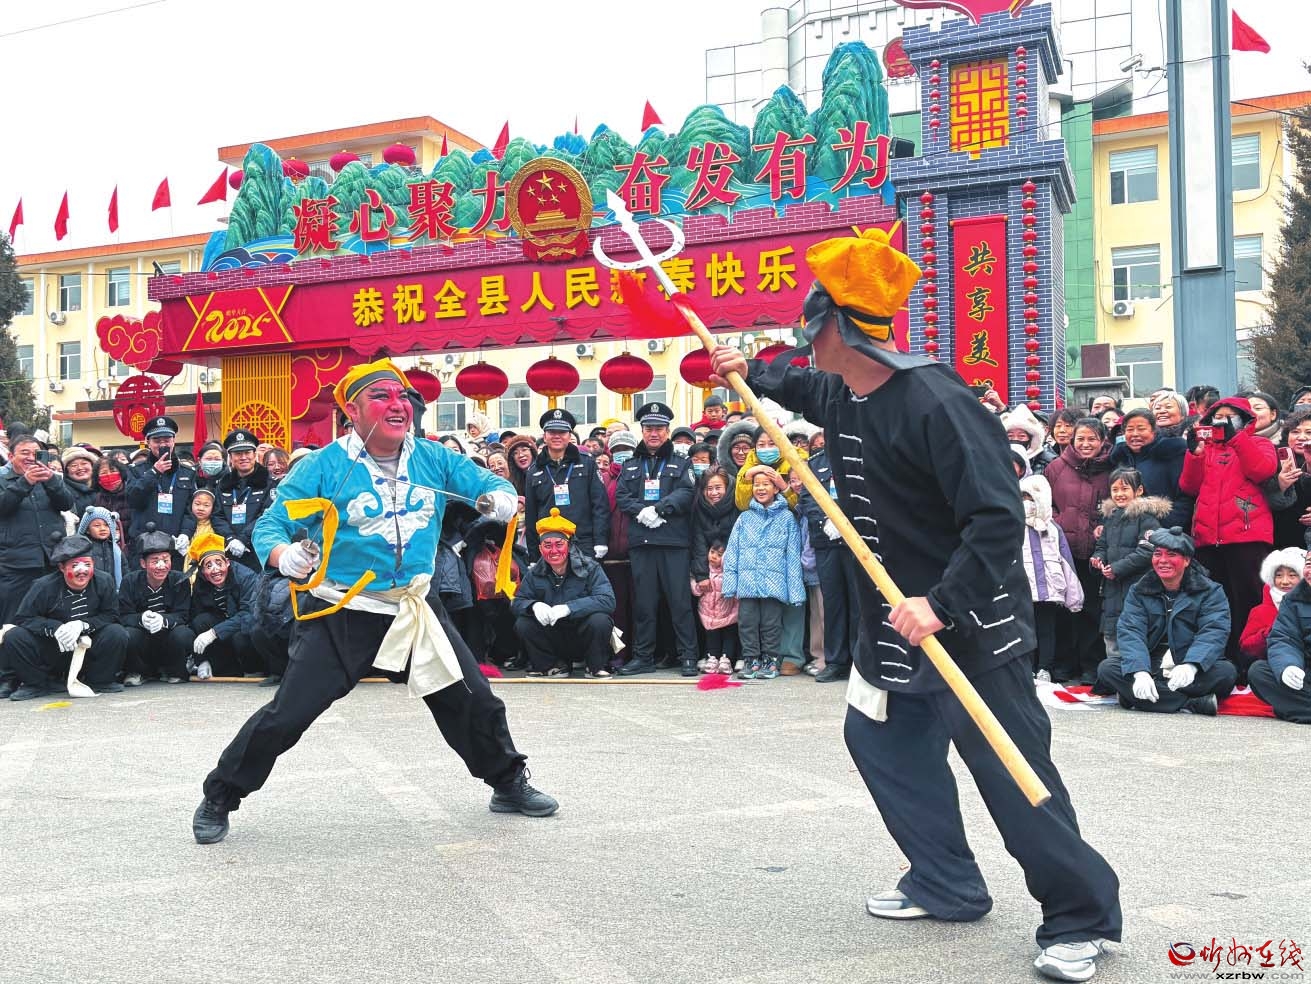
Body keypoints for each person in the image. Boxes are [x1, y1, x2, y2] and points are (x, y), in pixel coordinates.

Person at [709, 227, 1120, 983]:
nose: (804, 341)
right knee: (882, 742)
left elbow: (996, 519)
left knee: (1010, 770)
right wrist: (749, 371)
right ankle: (946, 882)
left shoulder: (938, 402)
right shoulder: (844, 388)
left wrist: (942, 603)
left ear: (837, 327)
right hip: (890, 625)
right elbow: (799, 387)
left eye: (810, 327)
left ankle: (1080, 916)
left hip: (966, 623)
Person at [192, 358, 556, 846]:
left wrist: (502, 496)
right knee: (288, 714)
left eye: (402, 396)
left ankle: (507, 782)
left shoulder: (434, 458)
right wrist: (284, 556)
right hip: (345, 610)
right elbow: (271, 525)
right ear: (352, 412)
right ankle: (220, 795)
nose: (397, 404)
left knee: (472, 698)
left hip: (414, 606)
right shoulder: (323, 466)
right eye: (381, 396)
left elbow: (489, 484)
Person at [1177, 396, 1278, 676]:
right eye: (1217, 416)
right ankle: (1218, 662)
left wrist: (1236, 439)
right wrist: (1194, 455)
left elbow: (1263, 470)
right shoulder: (1206, 449)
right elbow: (1189, 486)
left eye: (1230, 416)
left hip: (1247, 536)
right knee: (1213, 604)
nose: (1222, 421)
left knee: (1249, 601)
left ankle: (1249, 664)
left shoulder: (1259, 443)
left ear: (1244, 420)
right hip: (1208, 538)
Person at [1098, 527, 1237, 715]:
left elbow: (1213, 632)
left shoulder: (1211, 591)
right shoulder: (1139, 590)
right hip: (1151, 664)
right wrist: (1140, 672)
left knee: (1226, 672)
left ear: (1187, 560)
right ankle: (1192, 703)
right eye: (1157, 554)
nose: (1163, 560)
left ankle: (1135, 697)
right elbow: (1131, 631)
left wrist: (1191, 665)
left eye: (1171, 555)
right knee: (1107, 669)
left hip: (1187, 663)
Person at [614, 401, 699, 677]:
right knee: (644, 604)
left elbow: (686, 492)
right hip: (642, 543)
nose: (654, 433)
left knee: (680, 603)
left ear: (667, 431)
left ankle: (688, 655)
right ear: (642, 430)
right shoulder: (630, 465)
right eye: (649, 428)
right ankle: (643, 657)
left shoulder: (681, 462)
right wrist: (642, 512)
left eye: (659, 428)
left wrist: (660, 509)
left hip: (673, 542)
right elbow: (622, 496)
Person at [6, 534, 128, 701]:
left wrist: (84, 625)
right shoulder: (43, 586)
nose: (82, 570)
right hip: (54, 647)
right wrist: (55, 628)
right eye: (75, 565)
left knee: (116, 632)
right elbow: (23, 618)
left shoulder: (104, 581)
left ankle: (101, 680)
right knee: (15, 636)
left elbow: (111, 615)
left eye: (87, 564)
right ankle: (35, 684)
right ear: (62, 567)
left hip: (89, 645)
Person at [0, 435, 75, 698]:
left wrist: (52, 480)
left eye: (36, 453)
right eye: (25, 453)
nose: (31, 458)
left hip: (51, 559)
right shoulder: (4, 480)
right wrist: (25, 483)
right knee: (11, 621)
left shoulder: (50, 479)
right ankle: (8, 676)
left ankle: (49, 673)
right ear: (11, 456)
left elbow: (67, 503)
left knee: (50, 618)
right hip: (15, 562)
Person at [1043, 418, 1113, 685]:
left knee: (1093, 609)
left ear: (1102, 441)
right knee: (1063, 609)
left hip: (1097, 551)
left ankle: (1091, 665)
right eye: (1081, 438)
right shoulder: (1056, 467)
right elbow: (1045, 503)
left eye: (1092, 438)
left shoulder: (1111, 468)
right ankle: (1064, 663)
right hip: (1063, 551)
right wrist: (1058, 522)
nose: (1086, 444)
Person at [511, 508, 616, 679]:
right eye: (547, 545)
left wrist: (569, 608)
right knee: (523, 623)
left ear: (569, 546)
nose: (554, 551)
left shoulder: (590, 568)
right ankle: (552, 666)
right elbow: (517, 602)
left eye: (559, 544)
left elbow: (608, 600)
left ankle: (595, 666)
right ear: (540, 549)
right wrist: (534, 605)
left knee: (600, 620)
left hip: (582, 635)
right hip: (552, 637)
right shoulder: (534, 573)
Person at [722, 467, 804, 680]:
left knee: (771, 624)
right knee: (747, 622)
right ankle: (751, 659)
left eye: (766, 484)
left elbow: (793, 556)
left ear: (776, 488)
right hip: (747, 582)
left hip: (774, 583)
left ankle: (771, 659)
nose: (760, 488)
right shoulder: (744, 518)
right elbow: (732, 552)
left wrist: (795, 591)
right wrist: (730, 584)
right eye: (756, 484)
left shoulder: (787, 518)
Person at [1090, 468, 1170, 667]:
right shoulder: (1111, 518)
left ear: (1139, 490)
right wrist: (1097, 559)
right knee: (1112, 636)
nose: (1119, 494)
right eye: (1115, 489)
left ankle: (1138, 676)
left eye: (1124, 488)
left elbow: (1148, 551)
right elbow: (1101, 546)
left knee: (1136, 635)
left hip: (1138, 587)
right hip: (1112, 590)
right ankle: (1115, 678)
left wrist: (1117, 568)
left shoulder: (1147, 518)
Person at [797, 439, 859, 683]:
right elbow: (807, 498)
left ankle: (859, 661)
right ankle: (836, 661)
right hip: (826, 541)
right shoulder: (815, 463)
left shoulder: (858, 454)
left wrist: (846, 520)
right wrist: (826, 520)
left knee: (858, 602)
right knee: (832, 603)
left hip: (856, 540)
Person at [1018, 475, 1084, 683]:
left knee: (1047, 630)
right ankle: (1027, 668)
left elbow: (1066, 561)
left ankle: (1044, 668)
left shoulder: (1053, 529)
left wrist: (1074, 597)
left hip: (1049, 589)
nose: (1027, 502)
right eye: (1022, 497)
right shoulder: (1013, 526)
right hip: (1022, 590)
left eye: (1031, 497)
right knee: (1024, 630)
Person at [522, 408, 609, 563]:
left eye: (562, 432)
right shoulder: (534, 471)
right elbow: (531, 516)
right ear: (544, 436)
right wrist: (534, 556)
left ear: (569, 435)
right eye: (552, 432)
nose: (557, 436)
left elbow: (600, 504)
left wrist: (600, 540)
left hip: (583, 542)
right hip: (550, 545)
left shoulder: (587, 463)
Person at [118, 525, 194, 685]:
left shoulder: (180, 580)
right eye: (155, 561)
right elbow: (123, 616)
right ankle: (137, 671)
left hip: (169, 636)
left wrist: (163, 620)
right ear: (143, 563)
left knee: (183, 634)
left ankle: (175, 670)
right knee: (127, 635)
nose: (161, 566)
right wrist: (141, 619)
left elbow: (183, 615)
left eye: (165, 560)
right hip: (142, 638)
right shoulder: (129, 581)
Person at [1248, 550, 1311, 723]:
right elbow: (1284, 639)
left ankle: (1296, 709)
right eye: (1308, 564)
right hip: (1306, 673)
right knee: (1259, 672)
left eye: (1292, 575)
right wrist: (1288, 666)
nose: (1285, 581)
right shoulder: (1292, 600)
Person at [187, 533, 261, 679]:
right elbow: (195, 614)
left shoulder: (246, 577)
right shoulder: (201, 582)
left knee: (241, 636)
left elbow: (248, 614)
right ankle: (221, 668)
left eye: (218, 563)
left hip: (245, 626)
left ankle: (253, 670)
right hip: (223, 624)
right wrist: (201, 659)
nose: (215, 570)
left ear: (227, 562)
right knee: (201, 621)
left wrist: (214, 632)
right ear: (202, 571)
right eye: (209, 566)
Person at [126, 415, 199, 558]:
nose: (162, 445)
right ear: (148, 442)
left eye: (167, 440)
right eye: (157, 441)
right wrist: (154, 472)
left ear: (174, 441)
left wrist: (186, 533)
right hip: (145, 544)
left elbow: (191, 509)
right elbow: (133, 500)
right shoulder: (136, 470)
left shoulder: (187, 472)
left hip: (176, 544)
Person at [1107, 409, 1191, 530]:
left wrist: (1165, 526)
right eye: (1130, 430)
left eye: (1141, 429)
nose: (1135, 434)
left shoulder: (1171, 454)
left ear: (1154, 431)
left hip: (1164, 530)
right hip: (1126, 532)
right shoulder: (1120, 459)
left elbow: (1185, 498)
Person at [217, 429, 274, 573]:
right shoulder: (223, 484)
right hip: (230, 550)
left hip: (259, 551)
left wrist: (243, 539)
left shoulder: (269, 483)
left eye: (247, 452)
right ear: (230, 457)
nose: (243, 457)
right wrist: (230, 538)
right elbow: (217, 516)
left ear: (255, 455)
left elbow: (267, 515)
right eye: (238, 453)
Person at [1239, 547, 1305, 665]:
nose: (1285, 581)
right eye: (1279, 575)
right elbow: (1246, 648)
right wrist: (1267, 634)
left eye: (1292, 575)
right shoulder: (1260, 611)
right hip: (1274, 664)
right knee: (1257, 668)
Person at [691, 538, 737, 674]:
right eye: (712, 552)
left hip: (727, 613)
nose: (714, 556)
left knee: (729, 636)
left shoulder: (729, 573)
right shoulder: (704, 572)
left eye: (719, 554)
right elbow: (696, 590)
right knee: (712, 636)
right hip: (708, 613)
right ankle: (712, 658)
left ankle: (726, 659)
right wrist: (696, 583)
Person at [1269, 408, 1311, 549]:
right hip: (1283, 542)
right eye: (1295, 432)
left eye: (1309, 432)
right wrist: (1280, 486)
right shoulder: (1272, 461)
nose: (1302, 437)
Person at [77, 506, 124, 588]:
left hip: (112, 589)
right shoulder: (82, 549)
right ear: (87, 530)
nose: (102, 528)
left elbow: (124, 568)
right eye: (97, 525)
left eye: (106, 525)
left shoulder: (115, 549)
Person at [1003, 404, 1056, 474]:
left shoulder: (1048, 461)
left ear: (1031, 439)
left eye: (1021, 436)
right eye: (1010, 436)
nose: (1015, 439)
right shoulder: (998, 459)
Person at [61, 446, 99, 515]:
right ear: (66, 471)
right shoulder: (63, 491)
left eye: (84, 463)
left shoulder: (101, 486)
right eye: (74, 465)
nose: (80, 468)